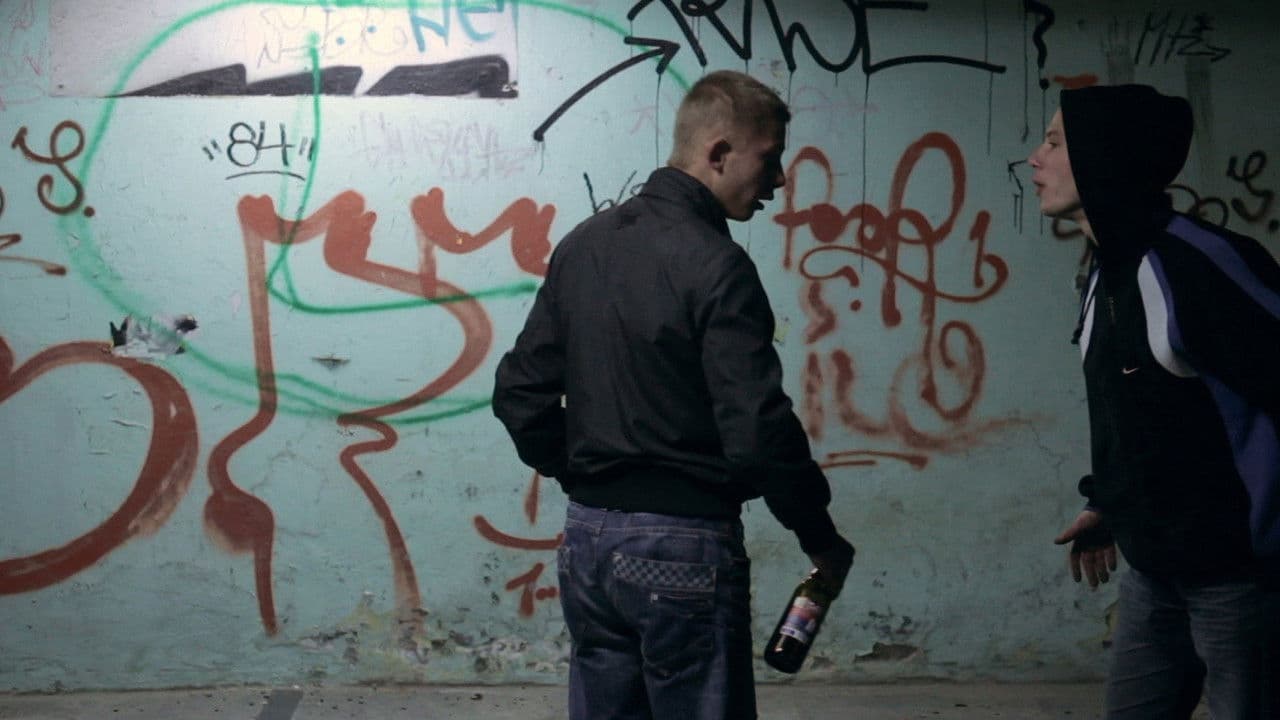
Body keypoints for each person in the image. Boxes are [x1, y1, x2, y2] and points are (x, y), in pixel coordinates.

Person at [492, 69, 856, 720]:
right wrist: (818, 534)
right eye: (769, 159)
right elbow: (757, 428)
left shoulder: (584, 244)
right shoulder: (717, 264)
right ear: (718, 152)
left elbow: (520, 392)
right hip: (683, 548)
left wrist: (585, 474)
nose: (777, 181)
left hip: (587, 542)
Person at [1028, 84, 1280, 719]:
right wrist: (1107, 503)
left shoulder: (1200, 264)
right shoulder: (1105, 269)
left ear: (1103, 154)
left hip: (1240, 580)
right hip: (1154, 573)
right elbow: (1142, 410)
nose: (1035, 157)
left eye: (1054, 142)